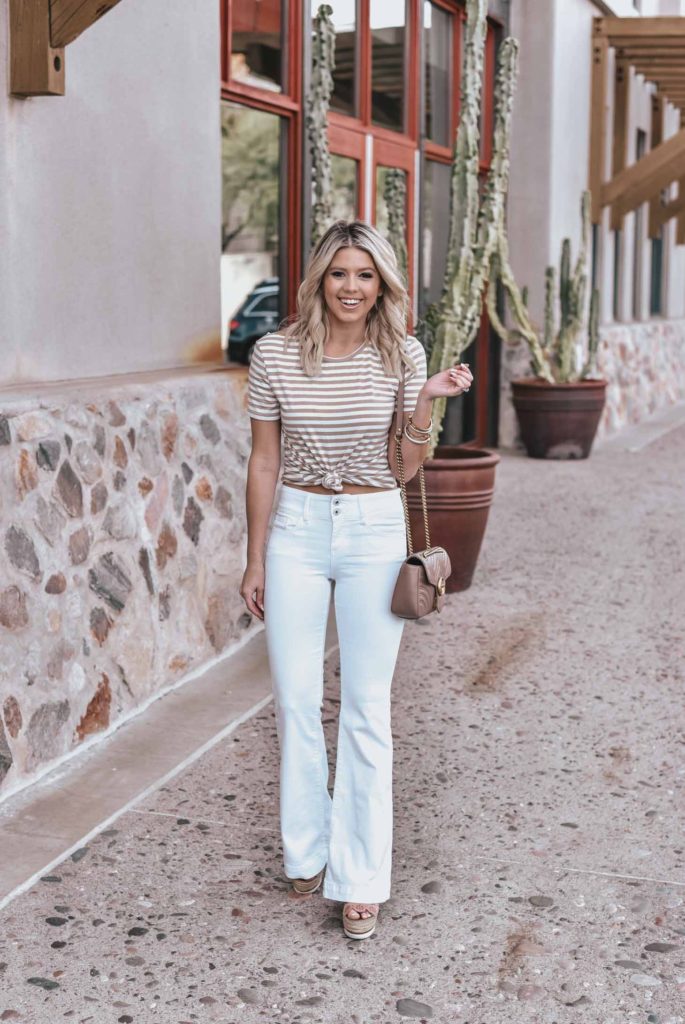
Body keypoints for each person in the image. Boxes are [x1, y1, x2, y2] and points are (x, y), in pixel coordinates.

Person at [240, 220, 473, 940]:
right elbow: (262, 462)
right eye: (338, 273)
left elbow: (404, 471)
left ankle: (361, 877)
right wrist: (253, 557)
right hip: (297, 533)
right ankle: (306, 852)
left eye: (364, 275)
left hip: (374, 526)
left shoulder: (400, 352)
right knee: (296, 700)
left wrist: (425, 397)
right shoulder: (274, 354)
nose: (351, 287)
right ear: (319, 279)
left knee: (367, 709)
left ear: (382, 284)